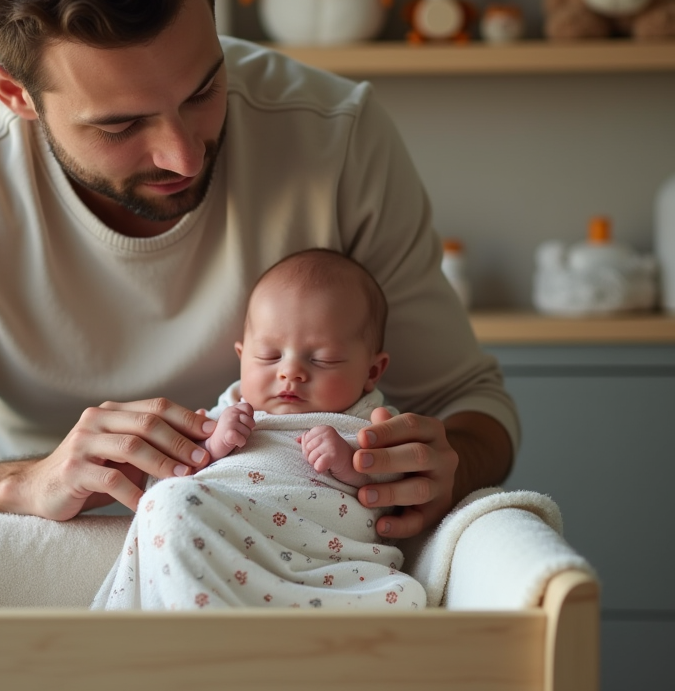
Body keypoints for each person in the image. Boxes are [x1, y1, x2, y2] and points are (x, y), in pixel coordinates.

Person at [0, 0, 519, 543]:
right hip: (40, 554)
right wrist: (26, 484)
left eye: (204, 89)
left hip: (297, 546)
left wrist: (439, 467)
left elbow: (473, 408)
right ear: (13, 92)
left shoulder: (338, 137)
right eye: (121, 124)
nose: (184, 152)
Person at [93, 248, 427, 609]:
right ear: (242, 357)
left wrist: (352, 463)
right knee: (168, 502)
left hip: (326, 567)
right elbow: (178, 466)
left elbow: (398, 491)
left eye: (322, 359)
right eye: (269, 356)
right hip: (227, 548)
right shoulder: (222, 416)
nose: (290, 372)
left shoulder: (373, 423)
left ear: (372, 371)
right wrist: (215, 444)